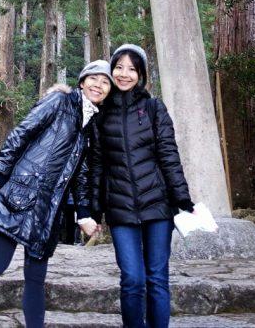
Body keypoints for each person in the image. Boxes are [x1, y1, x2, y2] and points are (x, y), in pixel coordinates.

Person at [0, 60, 112, 328]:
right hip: (21, 194)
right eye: (94, 79)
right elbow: (22, 132)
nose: (99, 85)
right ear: (82, 81)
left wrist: (84, 214)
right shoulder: (59, 101)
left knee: (36, 277)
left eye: (105, 82)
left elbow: (82, 174)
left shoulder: (92, 126)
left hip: (49, 209)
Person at [90, 44, 194, 328]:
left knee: (157, 277)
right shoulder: (101, 114)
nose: (124, 74)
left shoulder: (153, 108)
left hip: (158, 205)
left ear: (142, 74)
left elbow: (169, 155)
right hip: (120, 207)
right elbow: (97, 164)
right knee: (132, 278)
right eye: (119, 67)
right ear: (111, 71)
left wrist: (182, 198)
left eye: (132, 69)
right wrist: (94, 208)